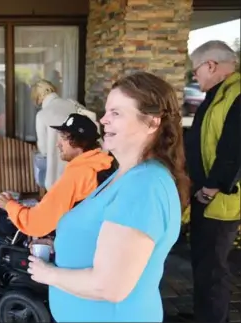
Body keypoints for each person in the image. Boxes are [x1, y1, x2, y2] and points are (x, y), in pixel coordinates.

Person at [27, 72, 190, 322]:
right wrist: (61, 247)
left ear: (151, 122)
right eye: (106, 112)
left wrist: (47, 274)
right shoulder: (125, 175)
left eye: (116, 113)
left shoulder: (144, 185)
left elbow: (109, 286)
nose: (104, 120)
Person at [183, 40, 240, 323]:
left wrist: (211, 187)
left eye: (196, 71)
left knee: (214, 269)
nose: (195, 78)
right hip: (208, 196)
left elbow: (234, 146)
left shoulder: (236, 94)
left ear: (211, 65)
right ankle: (204, 314)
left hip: (219, 200)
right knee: (204, 264)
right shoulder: (220, 93)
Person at [0, 113, 114, 238]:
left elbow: (36, 222)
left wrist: (8, 205)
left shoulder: (78, 174)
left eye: (64, 138)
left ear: (79, 142)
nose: (58, 144)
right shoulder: (104, 164)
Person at [33, 79, 79, 190]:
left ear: (39, 97)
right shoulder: (74, 105)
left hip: (57, 176)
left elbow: (43, 150)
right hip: (80, 169)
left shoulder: (42, 115)